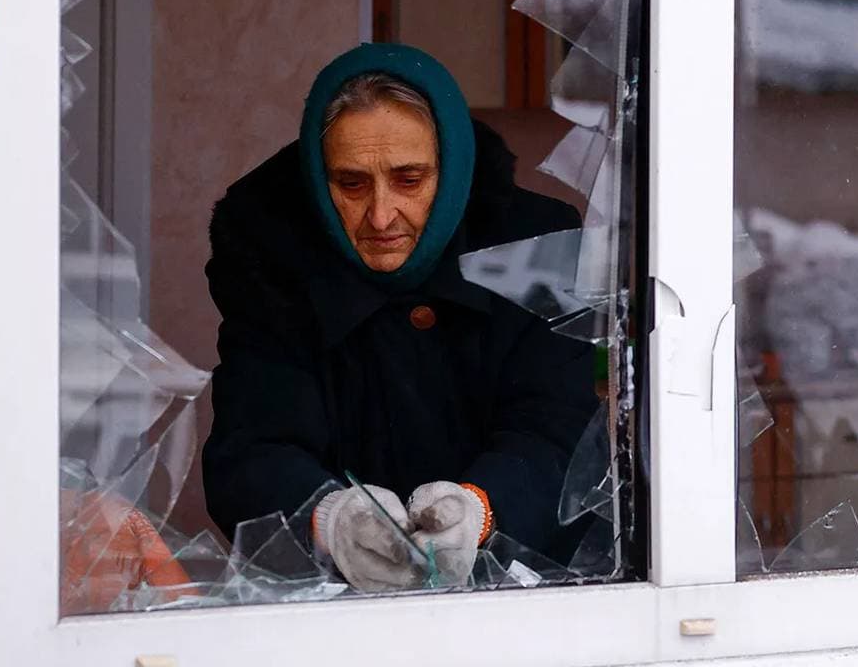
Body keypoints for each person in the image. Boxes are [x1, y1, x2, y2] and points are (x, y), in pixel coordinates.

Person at [202, 43, 596, 591]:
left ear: (451, 169)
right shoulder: (274, 263)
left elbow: (562, 434)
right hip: (337, 607)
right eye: (352, 183)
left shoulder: (531, 248)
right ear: (320, 182)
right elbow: (251, 450)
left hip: (522, 593)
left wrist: (481, 509)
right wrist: (330, 519)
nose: (381, 215)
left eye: (409, 180)